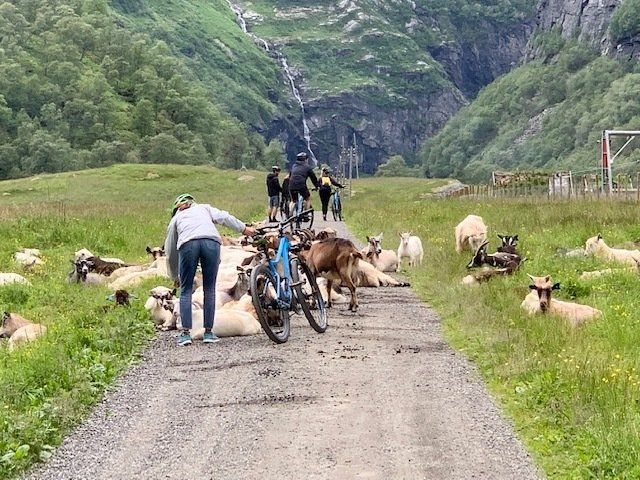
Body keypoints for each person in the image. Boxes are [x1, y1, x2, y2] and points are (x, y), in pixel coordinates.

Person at [164, 193, 256, 346]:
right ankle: (208, 332)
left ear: (177, 208)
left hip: (188, 245)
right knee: (209, 288)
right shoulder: (204, 208)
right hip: (211, 242)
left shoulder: (175, 219)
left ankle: (186, 333)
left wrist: (174, 275)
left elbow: (170, 250)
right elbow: (225, 217)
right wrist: (244, 229)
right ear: (192, 203)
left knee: (186, 290)